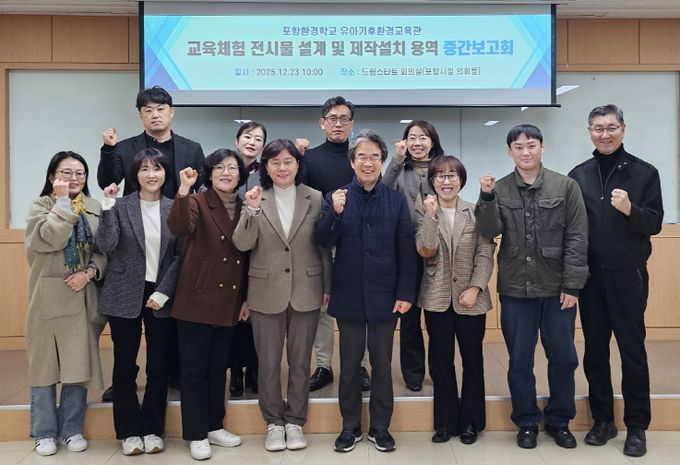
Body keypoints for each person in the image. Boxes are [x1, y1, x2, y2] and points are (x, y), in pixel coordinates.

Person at [475, 124, 589, 450]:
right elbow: (489, 231)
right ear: (509, 151)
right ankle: (526, 421)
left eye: (531, 145)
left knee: (564, 358)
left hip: (557, 291)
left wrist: (573, 286)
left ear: (542, 147)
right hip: (515, 290)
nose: (525, 152)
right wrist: (486, 197)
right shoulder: (499, 188)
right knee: (519, 361)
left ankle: (559, 420)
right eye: (519, 147)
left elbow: (577, 237)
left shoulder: (565, 186)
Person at [97, 85, 204, 401]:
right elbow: (108, 184)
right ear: (140, 115)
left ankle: (171, 373)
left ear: (172, 112)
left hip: (176, 238)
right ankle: (125, 379)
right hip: (135, 240)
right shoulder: (125, 148)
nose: (155, 115)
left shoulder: (192, 148)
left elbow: (200, 189)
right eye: (148, 110)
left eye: (161, 109)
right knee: (127, 332)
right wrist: (107, 151)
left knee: (171, 318)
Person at [568, 104, 663, 457]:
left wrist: (630, 210)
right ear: (589, 132)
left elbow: (654, 223)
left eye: (611, 127)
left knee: (632, 351)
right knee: (594, 352)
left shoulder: (644, 173)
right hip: (591, 279)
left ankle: (637, 427)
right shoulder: (579, 175)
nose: (604, 134)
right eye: (598, 128)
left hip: (628, 276)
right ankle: (603, 420)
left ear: (623, 128)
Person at [316, 129, 417, 453]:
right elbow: (322, 241)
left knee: (382, 366)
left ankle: (380, 427)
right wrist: (335, 213)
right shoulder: (337, 197)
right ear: (352, 161)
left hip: (386, 297)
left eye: (375, 156)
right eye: (362, 156)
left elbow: (406, 251)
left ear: (383, 160)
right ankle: (349, 426)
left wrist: (405, 293)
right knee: (348, 366)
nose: (368, 162)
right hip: (348, 296)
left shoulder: (396, 201)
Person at [233, 139, 332, 451]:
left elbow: (323, 246)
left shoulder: (315, 197)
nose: (282, 168)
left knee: (301, 363)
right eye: (275, 162)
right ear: (266, 166)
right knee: (269, 364)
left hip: (307, 288)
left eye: (288, 161)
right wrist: (251, 210)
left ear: (298, 165)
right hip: (265, 291)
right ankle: (274, 422)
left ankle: (295, 421)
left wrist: (327, 286)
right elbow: (242, 245)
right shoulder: (254, 196)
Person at [97, 148, 181, 455]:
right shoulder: (120, 206)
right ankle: (129, 431)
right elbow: (106, 244)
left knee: (159, 365)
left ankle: (153, 429)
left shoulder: (174, 208)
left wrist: (164, 290)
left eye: (157, 168)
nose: (151, 174)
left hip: (161, 293)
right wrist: (107, 207)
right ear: (135, 175)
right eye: (144, 169)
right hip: (124, 291)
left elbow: (180, 256)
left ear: (165, 173)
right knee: (124, 364)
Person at [167, 149, 249, 461]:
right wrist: (183, 190)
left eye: (232, 168)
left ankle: (214, 425)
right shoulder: (197, 201)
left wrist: (246, 298)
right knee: (194, 371)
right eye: (219, 168)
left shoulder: (247, 205)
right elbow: (179, 227)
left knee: (218, 368)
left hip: (230, 300)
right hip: (196, 298)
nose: (226, 173)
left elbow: (250, 256)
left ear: (241, 175)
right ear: (209, 173)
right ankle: (196, 433)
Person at [25, 151, 107, 456]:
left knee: (78, 364)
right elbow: (51, 238)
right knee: (43, 365)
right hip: (47, 294)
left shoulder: (94, 207)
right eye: (66, 172)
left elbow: (103, 249)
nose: (74, 178)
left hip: (82, 293)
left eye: (80, 173)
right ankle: (44, 432)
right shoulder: (41, 206)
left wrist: (90, 272)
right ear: (52, 177)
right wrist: (62, 203)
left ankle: (72, 429)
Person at [416, 155, 495, 445]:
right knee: (441, 362)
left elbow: (485, 253)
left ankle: (471, 422)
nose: (446, 181)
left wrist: (475, 287)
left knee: (472, 360)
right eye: (440, 176)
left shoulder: (475, 212)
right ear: (432, 181)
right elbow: (425, 249)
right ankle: (445, 422)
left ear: (461, 181)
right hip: (437, 298)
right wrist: (431, 216)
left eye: (452, 176)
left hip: (471, 299)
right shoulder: (425, 212)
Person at [301, 96, 371, 392]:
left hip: (357, 243)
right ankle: (323, 365)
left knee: (357, 306)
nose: (338, 123)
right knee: (323, 307)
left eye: (344, 119)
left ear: (352, 124)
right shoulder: (309, 159)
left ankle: (360, 365)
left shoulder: (362, 157)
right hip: (321, 242)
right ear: (322, 123)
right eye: (332, 118)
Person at [383, 120, 444, 392]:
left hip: (438, 250)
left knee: (437, 317)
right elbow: (383, 190)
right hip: (406, 252)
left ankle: (440, 371)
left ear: (433, 141)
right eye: (412, 137)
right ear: (405, 142)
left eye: (423, 137)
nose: (417, 143)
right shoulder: (400, 169)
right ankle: (413, 373)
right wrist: (396, 160)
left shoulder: (443, 167)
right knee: (409, 317)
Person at [229, 121, 267, 397]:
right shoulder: (223, 167)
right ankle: (235, 372)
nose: (252, 142)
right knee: (232, 313)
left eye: (258, 139)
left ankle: (254, 369)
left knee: (255, 313)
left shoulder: (266, 173)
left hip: (257, 248)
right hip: (227, 249)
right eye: (247, 136)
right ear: (237, 140)